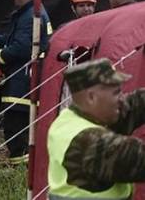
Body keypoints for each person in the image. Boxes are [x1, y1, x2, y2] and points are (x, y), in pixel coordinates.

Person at [47, 58, 145, 198]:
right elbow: (136, 158)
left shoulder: (85, 114)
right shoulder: (85, 140)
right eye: (116, 93)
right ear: (91, 97)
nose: (121, 99)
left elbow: (133, 106)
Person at [0, 0, 52, 163]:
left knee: (15, 131)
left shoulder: (31, 16)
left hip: (23, 83)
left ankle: (20, 172)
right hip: (24, 81)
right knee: (17, 130)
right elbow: (11, 39)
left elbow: (21, 47)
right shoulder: (29, 13)